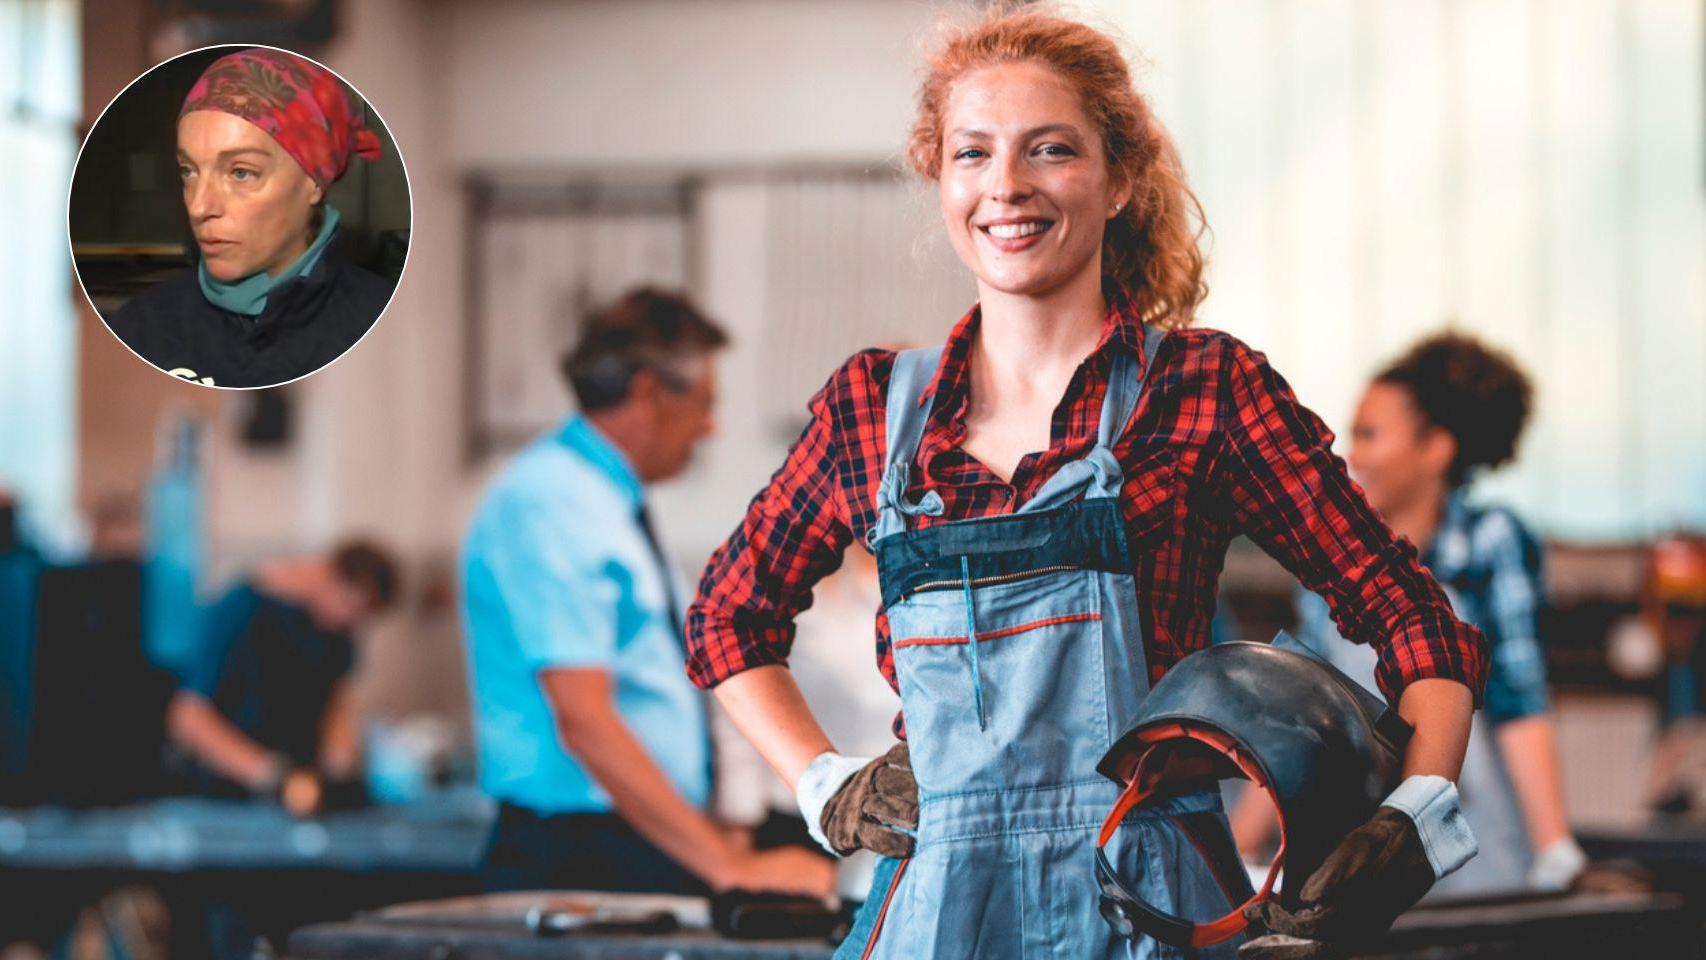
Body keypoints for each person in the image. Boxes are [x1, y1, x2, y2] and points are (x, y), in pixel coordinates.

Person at [686, 11, 1486, 959]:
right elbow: (727, 617)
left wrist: (1414, 815)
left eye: (1051, 149)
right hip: (936, 913)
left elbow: (1412, 616)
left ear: (1121, 179)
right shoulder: (875, 410)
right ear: (941, 178)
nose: (1006, 185)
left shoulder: (1206, 391)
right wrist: (825, 785)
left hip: (1146, 906)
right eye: (973, 152)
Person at [460, 288, 832, 898]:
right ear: (649, 391)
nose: (710, 427)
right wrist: (726, 866)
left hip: (640, 836)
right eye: (704, 404)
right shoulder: (552, 500)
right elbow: (584, 718)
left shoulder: (605, 501)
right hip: (581, 848)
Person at [1227, 333, 1589, 895]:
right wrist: (1236, 855)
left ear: (1436, 447)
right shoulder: (1329, 565)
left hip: (1479, 865)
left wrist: (1554, 846)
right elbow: (1301, 727)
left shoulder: (1487, 542)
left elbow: (1520, 700)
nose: (1352, 455)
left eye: (1369, 434)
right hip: (1360, 871)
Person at [106, 47, 393, 388]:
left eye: (241, 172)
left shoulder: (387, 326)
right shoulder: (142, 328)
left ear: (314, 182)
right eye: (189, 171)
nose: (199, 206)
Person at [166, 539, 398, 816]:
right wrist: (272, 776)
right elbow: (189, 718)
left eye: (359, 617)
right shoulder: (239, 610)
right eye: (348, 604)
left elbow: (335, 705)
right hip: (219, 798)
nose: (345, 620)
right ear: (327, 574)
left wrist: (340, 767)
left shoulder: (336, 634)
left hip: (294, 802)